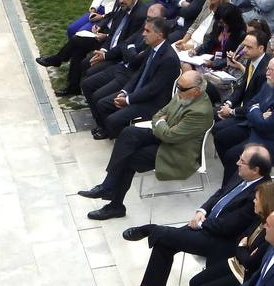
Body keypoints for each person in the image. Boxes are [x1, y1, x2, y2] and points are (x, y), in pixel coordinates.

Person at [123, 144, 271, 286]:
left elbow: (229, 226)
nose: (237, 162)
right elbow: (221, 193)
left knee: (163, 236)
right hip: (208, 226)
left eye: (242, 161)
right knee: (164, 242)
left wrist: (201, 223)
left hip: (221, 240)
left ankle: (150, 229)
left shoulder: (261, 194)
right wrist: (203, 210)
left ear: (255, 170)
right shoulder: (242, 176)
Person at [78, 69, 211, 219]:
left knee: (130, 158)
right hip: (166, 138)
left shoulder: (199, 112)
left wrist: (162, 123)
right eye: (178, 86)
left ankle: (115, 205)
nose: (177, 90)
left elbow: (169, 135)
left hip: (177, 153)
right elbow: (158, 114)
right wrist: (163, 123)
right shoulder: (185, 94)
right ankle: (108, 185)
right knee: (129, 133)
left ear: (196, 91)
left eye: (182, 88)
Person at [88, 16, 181, 140]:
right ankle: (112, 132)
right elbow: (139, 73)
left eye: (147, 31)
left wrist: (128, 100)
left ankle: (125, 140)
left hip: (153, 103)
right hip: (140, 93)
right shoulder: (152, 48)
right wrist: (124, 91)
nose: (143, 34)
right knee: (102, 104)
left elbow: (153, 89)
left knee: (112, 120)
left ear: (159, 35)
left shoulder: (169, 58)